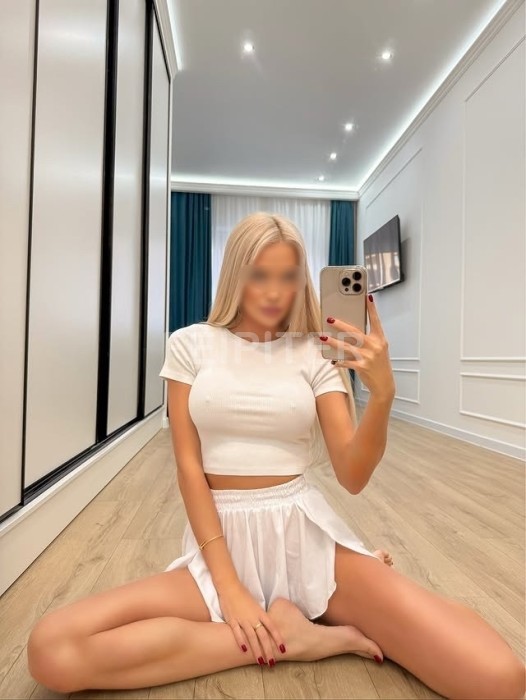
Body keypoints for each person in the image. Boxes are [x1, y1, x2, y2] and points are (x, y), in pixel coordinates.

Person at [27, 213, 525, 699]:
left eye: (288, 277)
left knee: (500, 680)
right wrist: (230, 588)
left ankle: (341, 593)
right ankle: (293, 639)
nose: (274, 292)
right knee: (53, 651)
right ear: (234, 275)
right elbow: (189, 469)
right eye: (259, 275)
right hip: (218, 545)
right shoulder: (190, 345)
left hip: (305, 541)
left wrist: (383, 395)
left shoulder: (317, 351)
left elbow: (352, 475)